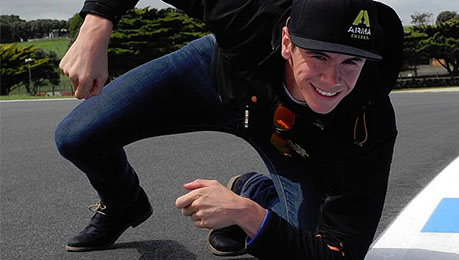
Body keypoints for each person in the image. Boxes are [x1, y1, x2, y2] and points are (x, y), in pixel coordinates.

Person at [55, 0, 403, 259]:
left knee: (305, 239)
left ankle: (254, 192)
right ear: (286, 42)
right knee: (76, 136)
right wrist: (95, 28)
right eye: (318, 56)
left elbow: (339, 251)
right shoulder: (249, 12)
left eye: (351, 61)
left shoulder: (368, 118)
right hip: (215, 82)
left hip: (291, 139)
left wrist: (247, 213)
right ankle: (123, 203)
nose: (332, 80)